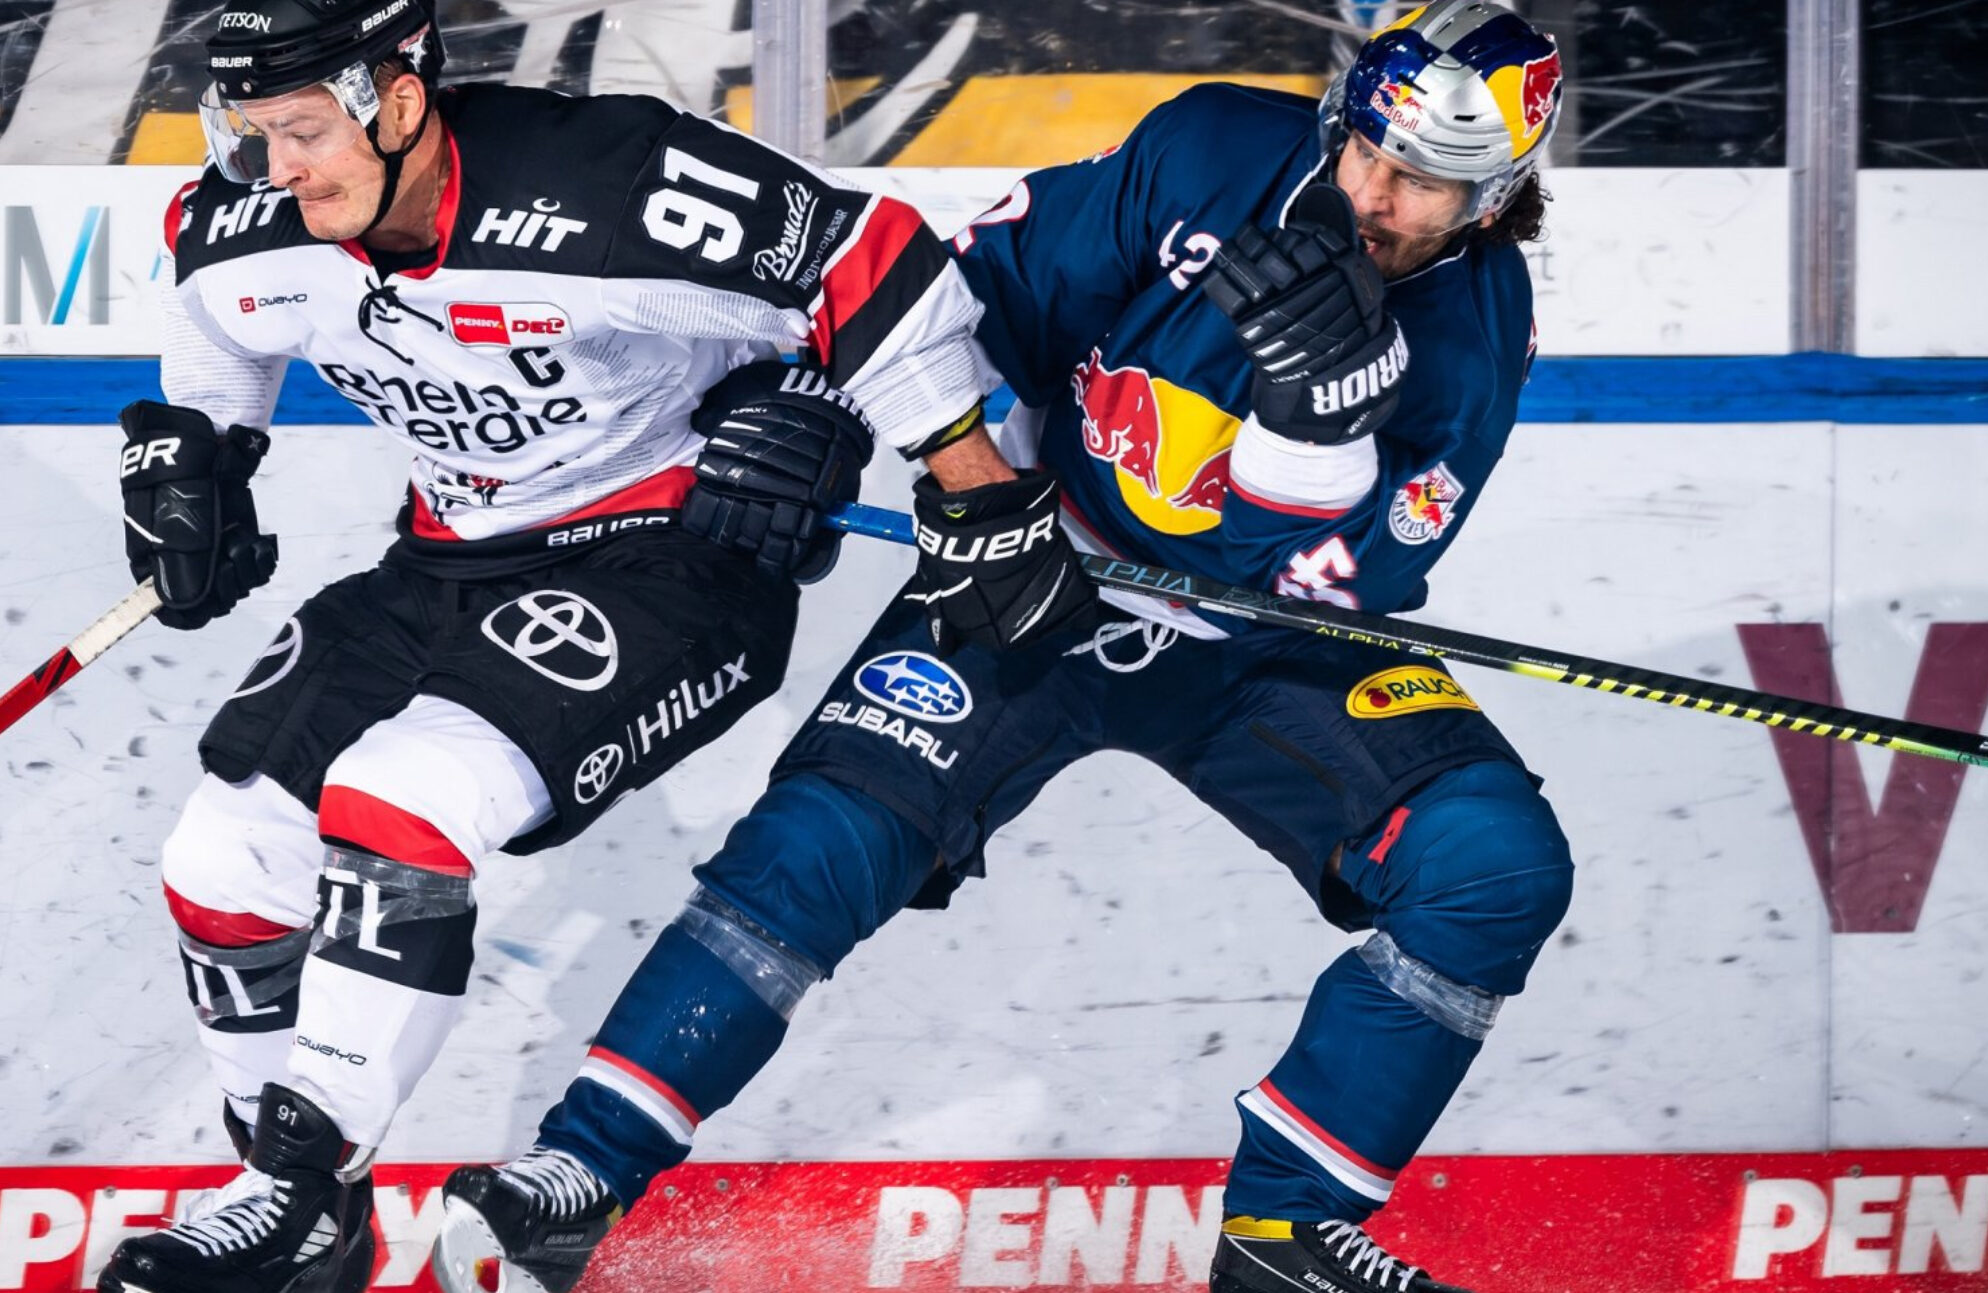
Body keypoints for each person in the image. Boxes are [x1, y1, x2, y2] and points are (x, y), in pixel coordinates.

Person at [430, 5, 1573, 1293]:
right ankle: (579, 1174)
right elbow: (984, 293)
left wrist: (1311, 438)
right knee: (815, 846)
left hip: (1255, 645)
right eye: (1366, 149)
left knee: (1493, 867)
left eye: (1423, 184)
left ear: (1493, 198)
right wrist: (821, 411)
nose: (1373, 194)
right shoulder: (1209, 152)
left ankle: (1284, 1235)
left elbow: (1343, 574)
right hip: (1030, 574)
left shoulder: (1478, 330)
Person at [91, 0, 996, 1287]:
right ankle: (302, 1212)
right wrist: (205, 454)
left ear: (401, 102)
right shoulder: (249, 220)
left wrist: (882, 442)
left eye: (303, 130)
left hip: (671, 559)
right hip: (446, 560)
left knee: (404, 794)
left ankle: (294, 1181)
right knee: (222, 852)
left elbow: (873, 257)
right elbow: (216, 323)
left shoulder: (603, 180)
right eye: (251, 133)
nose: (276, 168)